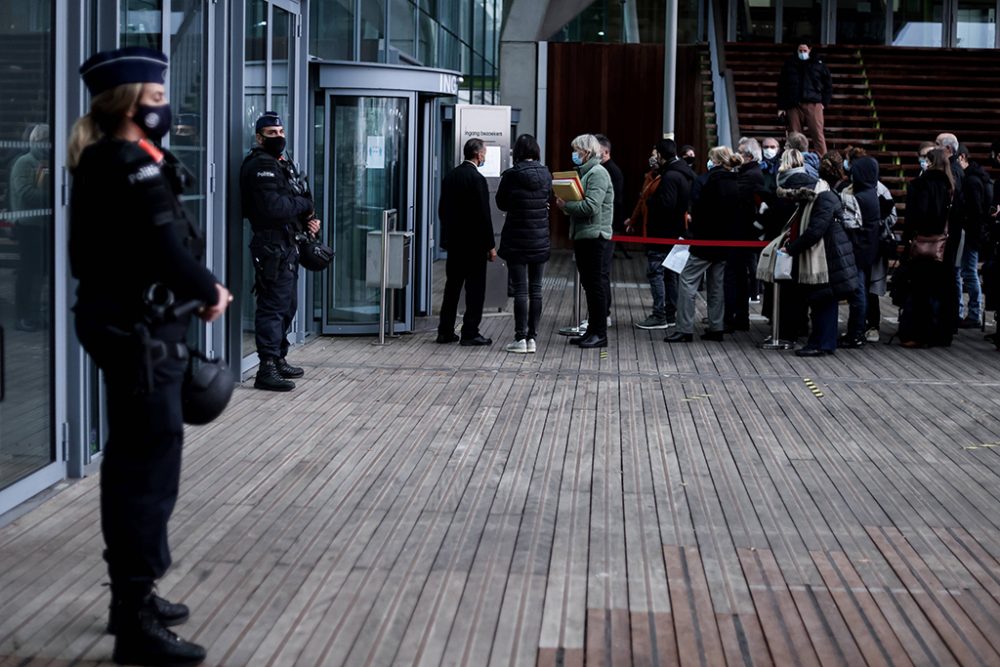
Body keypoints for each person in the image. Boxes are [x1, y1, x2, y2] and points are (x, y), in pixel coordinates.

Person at [68, 46, 231, 666]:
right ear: (128, 104)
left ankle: (132, 597)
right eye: (158, 100)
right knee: (144, 474)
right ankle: (134, 620)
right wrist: (209, 289)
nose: (167, 109)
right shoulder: (127, 164)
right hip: (137, 336)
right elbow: (165, 247)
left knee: (141, 466)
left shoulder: (113, 159)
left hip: (135, 328)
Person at [240, 111, 320, 391]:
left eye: (281, 132)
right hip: (271, 245)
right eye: (272, 133)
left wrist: (308, 217)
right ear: (259, 137)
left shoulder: (281, 164)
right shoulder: (260, 166)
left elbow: (303, 196)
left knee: (288, 306)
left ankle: (279, 357)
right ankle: (267, 368)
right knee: (273, 307)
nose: (278, 137)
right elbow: (275, 208)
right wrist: (303, 207)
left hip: (287, 243)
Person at [666, 146, 744, 343]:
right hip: (724, 242)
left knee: (687, 281)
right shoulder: (735, 183)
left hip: (706, 241)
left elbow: (700, 211)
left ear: (715, 161)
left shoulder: (709, 182)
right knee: (716, 285)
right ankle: (716, 326)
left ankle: (684, 328)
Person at [781, 153, 857, 356]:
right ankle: (824, 342)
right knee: (825, 300)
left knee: (822, 300)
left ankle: (820, 343)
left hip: (827, 256)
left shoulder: (822, 198)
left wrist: (791, 248)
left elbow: (815, 231)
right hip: (831, 253)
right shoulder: (826, 195)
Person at [437, 137, 497, 346]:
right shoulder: (477, 179)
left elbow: (442, 210)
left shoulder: (450, 176)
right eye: (484, 154)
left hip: (455, 244)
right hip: (474, 246)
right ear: (478, 155)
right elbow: (483, 215)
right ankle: (470, 331)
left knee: (451, 288)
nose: (484, 157)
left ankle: (445, 331)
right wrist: (490, 245)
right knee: (474, 290)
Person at [556, 133, 614, 349]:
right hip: (585, 235)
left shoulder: (597, 173)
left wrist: (566, 206)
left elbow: (591, 206)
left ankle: (599, 333)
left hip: (594, 236)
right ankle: (592, 330)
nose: (574, 154)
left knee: (595, 285)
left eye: (577, 150)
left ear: (587, 152)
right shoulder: (586, 172)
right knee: (589, 285)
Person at [630, 139, 694, 330]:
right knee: (670, 274)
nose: (653, 157)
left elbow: (666, 204)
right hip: (676, 231)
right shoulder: (684, 173)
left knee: (656, 272)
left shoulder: (670, 176)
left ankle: (660, 314)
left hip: (662, 232)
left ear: (661, 154)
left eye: (655, 152)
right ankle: (670, 312)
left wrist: (650, 202)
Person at [896, 148, 957, 347]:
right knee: (942, 290)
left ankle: (919, 334)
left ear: (929, 162)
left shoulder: (920, 185)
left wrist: (906, 240)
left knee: (920, 290)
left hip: (922, 244)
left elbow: (916, 216)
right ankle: (942, 332)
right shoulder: (951, 185)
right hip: (944, 245)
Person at [496, 134, 551, 353]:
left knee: (520, 290)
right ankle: (532, 338)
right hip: (539, 239)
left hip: (517, 240)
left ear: (517, 151)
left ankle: (519, 338)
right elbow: (548, 199)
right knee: (536, 289)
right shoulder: (546, 174)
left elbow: (501, 203)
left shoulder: (511, 175)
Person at [8, 122, 50, 332]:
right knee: (28, 273)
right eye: (44, 140)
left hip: (44, 225)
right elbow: (25, 193)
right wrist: (53, 197)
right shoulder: (24, 162)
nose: (47, 145)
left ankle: (35, 313)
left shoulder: (48, 161)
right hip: (29, 226)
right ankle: (24, 315)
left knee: (40, 273)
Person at [837, 155, 882, 348]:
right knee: (859, 290)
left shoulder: (860, 197)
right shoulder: (872, 193)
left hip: (858, 248)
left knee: (857, 293)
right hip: (867, 248)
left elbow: (849, 223)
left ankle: (855, 333)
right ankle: (856, 331)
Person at [725, 136, 765, 331]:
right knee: (739, 275)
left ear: (748, 156)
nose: (737, 156)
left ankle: (735, 315)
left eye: (740, 153)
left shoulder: (750, 175)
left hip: (742, 231)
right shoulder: (749, 173)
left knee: (736, 274)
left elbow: (736, 197)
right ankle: (738, 315)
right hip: (742, 230)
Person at [777, 41, 832, 156]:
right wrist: (781, 106)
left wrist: (824, 102)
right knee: (794, 137)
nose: (802, 53)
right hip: (794, 103)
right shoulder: (789, 64)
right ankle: (794, 160)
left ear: (810, 49)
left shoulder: (818, 64)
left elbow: (828, 84)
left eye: (804, 50)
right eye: (800, 51)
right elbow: (782, 86)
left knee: (818, 135)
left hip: (813, 102)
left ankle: (823, 162)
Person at [956, 144, 990, 328]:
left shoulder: (971, 180)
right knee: (968, 271)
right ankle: (973, 311)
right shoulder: (976, 177)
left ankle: (974, 312)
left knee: (969, 271)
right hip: (973, 232)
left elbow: (975, 210)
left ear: (962, 157)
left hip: (971, 233)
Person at [595, 133, 624, 319]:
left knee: (601, 271)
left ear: (605, 151)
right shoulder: (607, 169)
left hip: (608, 226)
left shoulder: (609, 171)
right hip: (609, 225)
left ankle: (603, 314)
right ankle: (601, 313)